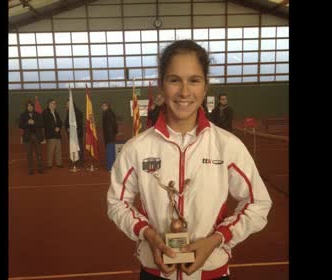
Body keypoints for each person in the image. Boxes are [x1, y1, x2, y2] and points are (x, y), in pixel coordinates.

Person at [107, 40, 272, 280]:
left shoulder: (227, 146)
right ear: (161, 86)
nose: (184, 92)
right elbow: (116, 202)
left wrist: (217, 240)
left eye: (194, 80)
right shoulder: (138, 148)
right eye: (174, 80)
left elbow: (258, 203)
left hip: (212, 272)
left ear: (205, 87)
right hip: (155, 271)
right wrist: (149, 235)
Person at [18, 100, 45, 175]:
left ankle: (40, 168)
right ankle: (30, 169)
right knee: (29, 154)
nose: (30, 107)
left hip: (37, 136)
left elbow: (42, 124)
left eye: (31, 106)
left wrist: (34, 122)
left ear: (33, 106)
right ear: (26, 107)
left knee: (39, 153)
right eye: (28, 106)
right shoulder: (22, 115)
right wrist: (27, 123)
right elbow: (20, 125)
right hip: (27, 137)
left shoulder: (38, 114)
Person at [42, 99, 63, 168]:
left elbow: (60, 122)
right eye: (53, 103)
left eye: (55, 104)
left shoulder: (56, 112)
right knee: (50, 151)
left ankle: (59, 163)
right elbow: (46, 123)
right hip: (50, 135)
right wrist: (54, 128)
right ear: (49, 104)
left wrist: (58, 127)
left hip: (57, 134)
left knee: (58, 150)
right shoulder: (45, 112)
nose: (55, 105)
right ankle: (49, 164)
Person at [64, 99, 84, 167]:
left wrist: (73, 129)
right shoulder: (68, 112)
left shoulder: (78, 112)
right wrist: (67, 128)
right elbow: (66, 123)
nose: (66, 105)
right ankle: (74, 161)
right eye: (67, 104)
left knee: (79, 148)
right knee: (72, 148)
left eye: (68, 104)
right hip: (71, 134)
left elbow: (79, 123)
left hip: (77, 134)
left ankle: (80, 162)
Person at [101, 101, 118, 171]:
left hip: (110, 134)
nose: (102, 107)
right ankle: (110, 164)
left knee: (110, 150)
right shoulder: (106, 113)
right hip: (108, 134)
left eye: (103, 106)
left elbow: (114, 124)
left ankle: (112, 165)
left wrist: (113, 132)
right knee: (108, 150)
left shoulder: (110, 113)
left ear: (107, 106)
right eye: (102, 106)